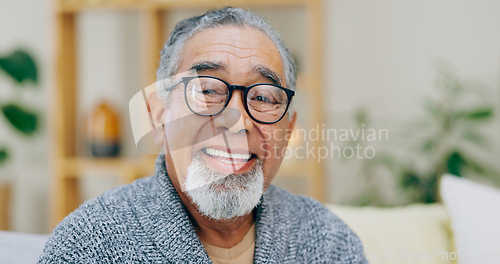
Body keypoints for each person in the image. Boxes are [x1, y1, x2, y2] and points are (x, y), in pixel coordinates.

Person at [39, 7, 368, 263]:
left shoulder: (328, 241)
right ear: (157, 115)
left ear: (289, 130)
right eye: (208, 90)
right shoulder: (88, 246)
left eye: (263, 97)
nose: (236, 122)